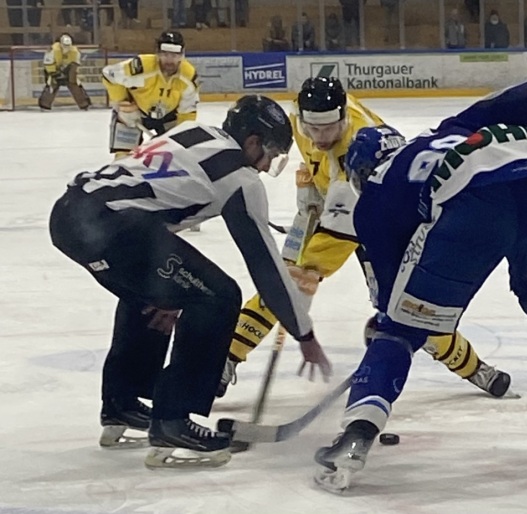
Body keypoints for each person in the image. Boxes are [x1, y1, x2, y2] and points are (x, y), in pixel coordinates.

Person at [313, 79, 527, 492]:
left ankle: (353, 441)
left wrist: (388, 325)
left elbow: (396, 308)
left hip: (475, 206)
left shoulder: (375, 196)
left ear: (362, 172)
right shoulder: (453, 127)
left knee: (398, 332)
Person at [48, 95, 331, 469]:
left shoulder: (193, 133)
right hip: (113, 229)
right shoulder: (239, 177)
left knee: (157, 294)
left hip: (70, 216)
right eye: (270, 154)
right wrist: (304, 334)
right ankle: (173, 419)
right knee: (219, 296)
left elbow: (151, 214)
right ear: (251, 142)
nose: (266, 167)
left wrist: (170, 292)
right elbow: (265, 268)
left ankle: (122, 402)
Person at [217, 76, 511, 402]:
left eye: (329, 129)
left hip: (384, 222)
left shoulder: (358, 146)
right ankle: (224, 359)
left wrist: (309, 269)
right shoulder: (303, 123)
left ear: (343, 117)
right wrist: (310, 189)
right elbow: (317, 161)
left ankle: (475, 368)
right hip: (340, 208)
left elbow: (342, 229)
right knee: (281, 282)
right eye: (312, 129)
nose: (319, 137)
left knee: (410, 312)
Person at [101, 31, 199, 156]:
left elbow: (187, 113)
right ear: (157, 53)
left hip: (169, 117)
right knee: (123, 158)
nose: (169, 60)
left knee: (176, 157)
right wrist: (123, 102)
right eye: (165, 54)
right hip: (134, 113)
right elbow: (109, 75)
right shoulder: (141, 66)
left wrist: (181, 137)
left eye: (174, 55)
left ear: (182, 55)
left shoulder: (188, 75)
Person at [39, 33, 92, 111]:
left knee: (75, 84)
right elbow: (48, 63)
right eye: (64, 45)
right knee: (51, 85)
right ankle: (44, 106)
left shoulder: (75, 52)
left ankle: (84, 105)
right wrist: (54, 73)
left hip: (68, 72)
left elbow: (75, 65)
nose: (66, 48)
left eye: (68, 46)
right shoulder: (53, 50)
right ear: (60, 44)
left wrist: (72, 74)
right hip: (55, 72)